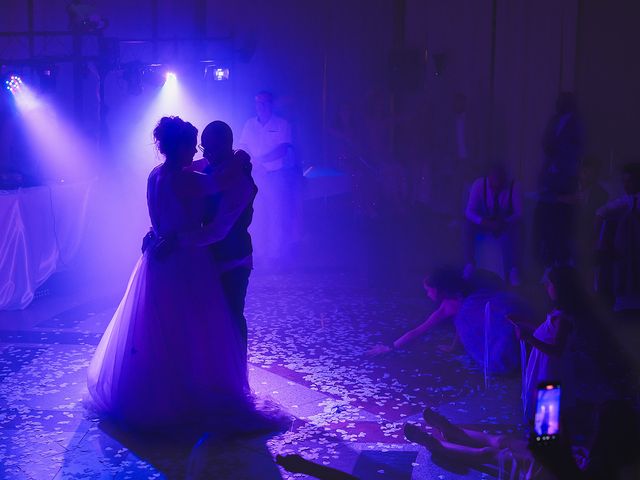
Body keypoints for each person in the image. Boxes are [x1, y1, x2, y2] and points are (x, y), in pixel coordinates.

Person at [87, 116, 260, 431]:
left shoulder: (155, 174)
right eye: (195, 145)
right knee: (194, 327)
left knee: (161, 325)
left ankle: (163, 387)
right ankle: (201, 389)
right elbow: (215, 203)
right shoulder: (190, 179)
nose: (200, 152)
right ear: (181, 147)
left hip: (161, 257)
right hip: (186, 259)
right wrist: (238, 164)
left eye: (204, 146)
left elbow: (183, 206)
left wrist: (158, 236)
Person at [404, 400, 640, 480]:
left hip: (554, 474)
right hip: (566, 464)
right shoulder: (615, 451)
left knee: (490, 455)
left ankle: (435, 444)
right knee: (502, 440)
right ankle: (451, 430)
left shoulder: (620, 467)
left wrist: (558, 449)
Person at [368, 267, 524, 375]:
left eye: (428, 290)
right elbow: (461, 328)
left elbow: (422, 330)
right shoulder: (460, 301)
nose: (427, 294)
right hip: (496, 325)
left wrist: (391, 347)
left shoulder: (455, 304)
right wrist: (453, 346)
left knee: (505, 345)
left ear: (439, 288)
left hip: (496, 325)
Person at [189, 121, 257, 363]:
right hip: (213, 257)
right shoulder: (215, 165)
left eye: (209, 148)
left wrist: (182, 238)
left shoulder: (238, 180)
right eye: (202, 147)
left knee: (232, 315)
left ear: (226, 146)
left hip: (234, 259)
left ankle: (237, 371)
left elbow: (220, 229)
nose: (204, 153)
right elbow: (188, 167)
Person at [238, 91, 300, 266]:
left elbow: (283, 149)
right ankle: (258, 253)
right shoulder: (249, 125)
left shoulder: (282, 124)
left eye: (263, 103)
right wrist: (254, 164)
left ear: (271, 104)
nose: (260, 106)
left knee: (276, 215)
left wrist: (262, 161)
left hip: (274, 176)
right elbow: (243, 147)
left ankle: (275, 255)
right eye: (257, 103)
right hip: (254, 176)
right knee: (257, 216)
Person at [533, 92, 584, 270]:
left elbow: (575, 150)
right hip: (549, 176)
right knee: (545, 221)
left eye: (561, 101)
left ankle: (562, 264)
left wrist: (560, 156)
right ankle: (547, 263)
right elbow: (545, 142)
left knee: (562, 225)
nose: (557, 104)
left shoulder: (577, 123)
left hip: (565, 178)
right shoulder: (554, 120)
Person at [464, 162, 524, 286]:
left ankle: (514, 269)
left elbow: (519, 213)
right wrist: (483, 221)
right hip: (484, 221)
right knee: (468, 225)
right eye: (493, 186)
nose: (496, 189)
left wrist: (504, 222)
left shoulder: (514, 187)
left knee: (518, 228)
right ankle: (469, 264)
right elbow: (469, 211)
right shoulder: (479, 185)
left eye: (499, 185)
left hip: (504, 222)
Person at [595, 162, 640, 318]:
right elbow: (601, 213)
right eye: (624, 181)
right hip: (623, 250)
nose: (626, 185)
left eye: (630, 181)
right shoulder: (624, 201)